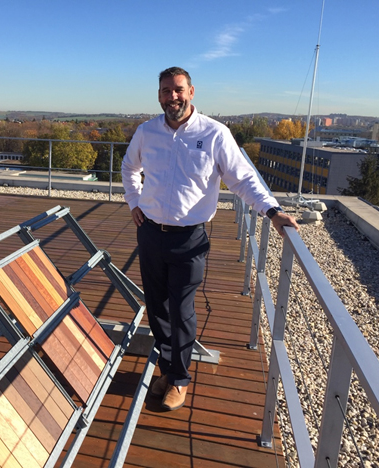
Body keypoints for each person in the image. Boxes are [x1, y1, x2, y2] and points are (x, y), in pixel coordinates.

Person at [121, 66, 298, 411]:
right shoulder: (146, 132)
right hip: (150, 234)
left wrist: (272, 212)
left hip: (190, 239)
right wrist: (134, 202)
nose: (172, 96)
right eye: (165, 90)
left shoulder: (215, 134)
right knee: (157, 308)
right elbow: (129, 168)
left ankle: (180, 380)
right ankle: (168, 370)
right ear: (159, 94)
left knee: (182, 310)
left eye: (178, 90)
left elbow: (242, 179)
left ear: (191, 92)